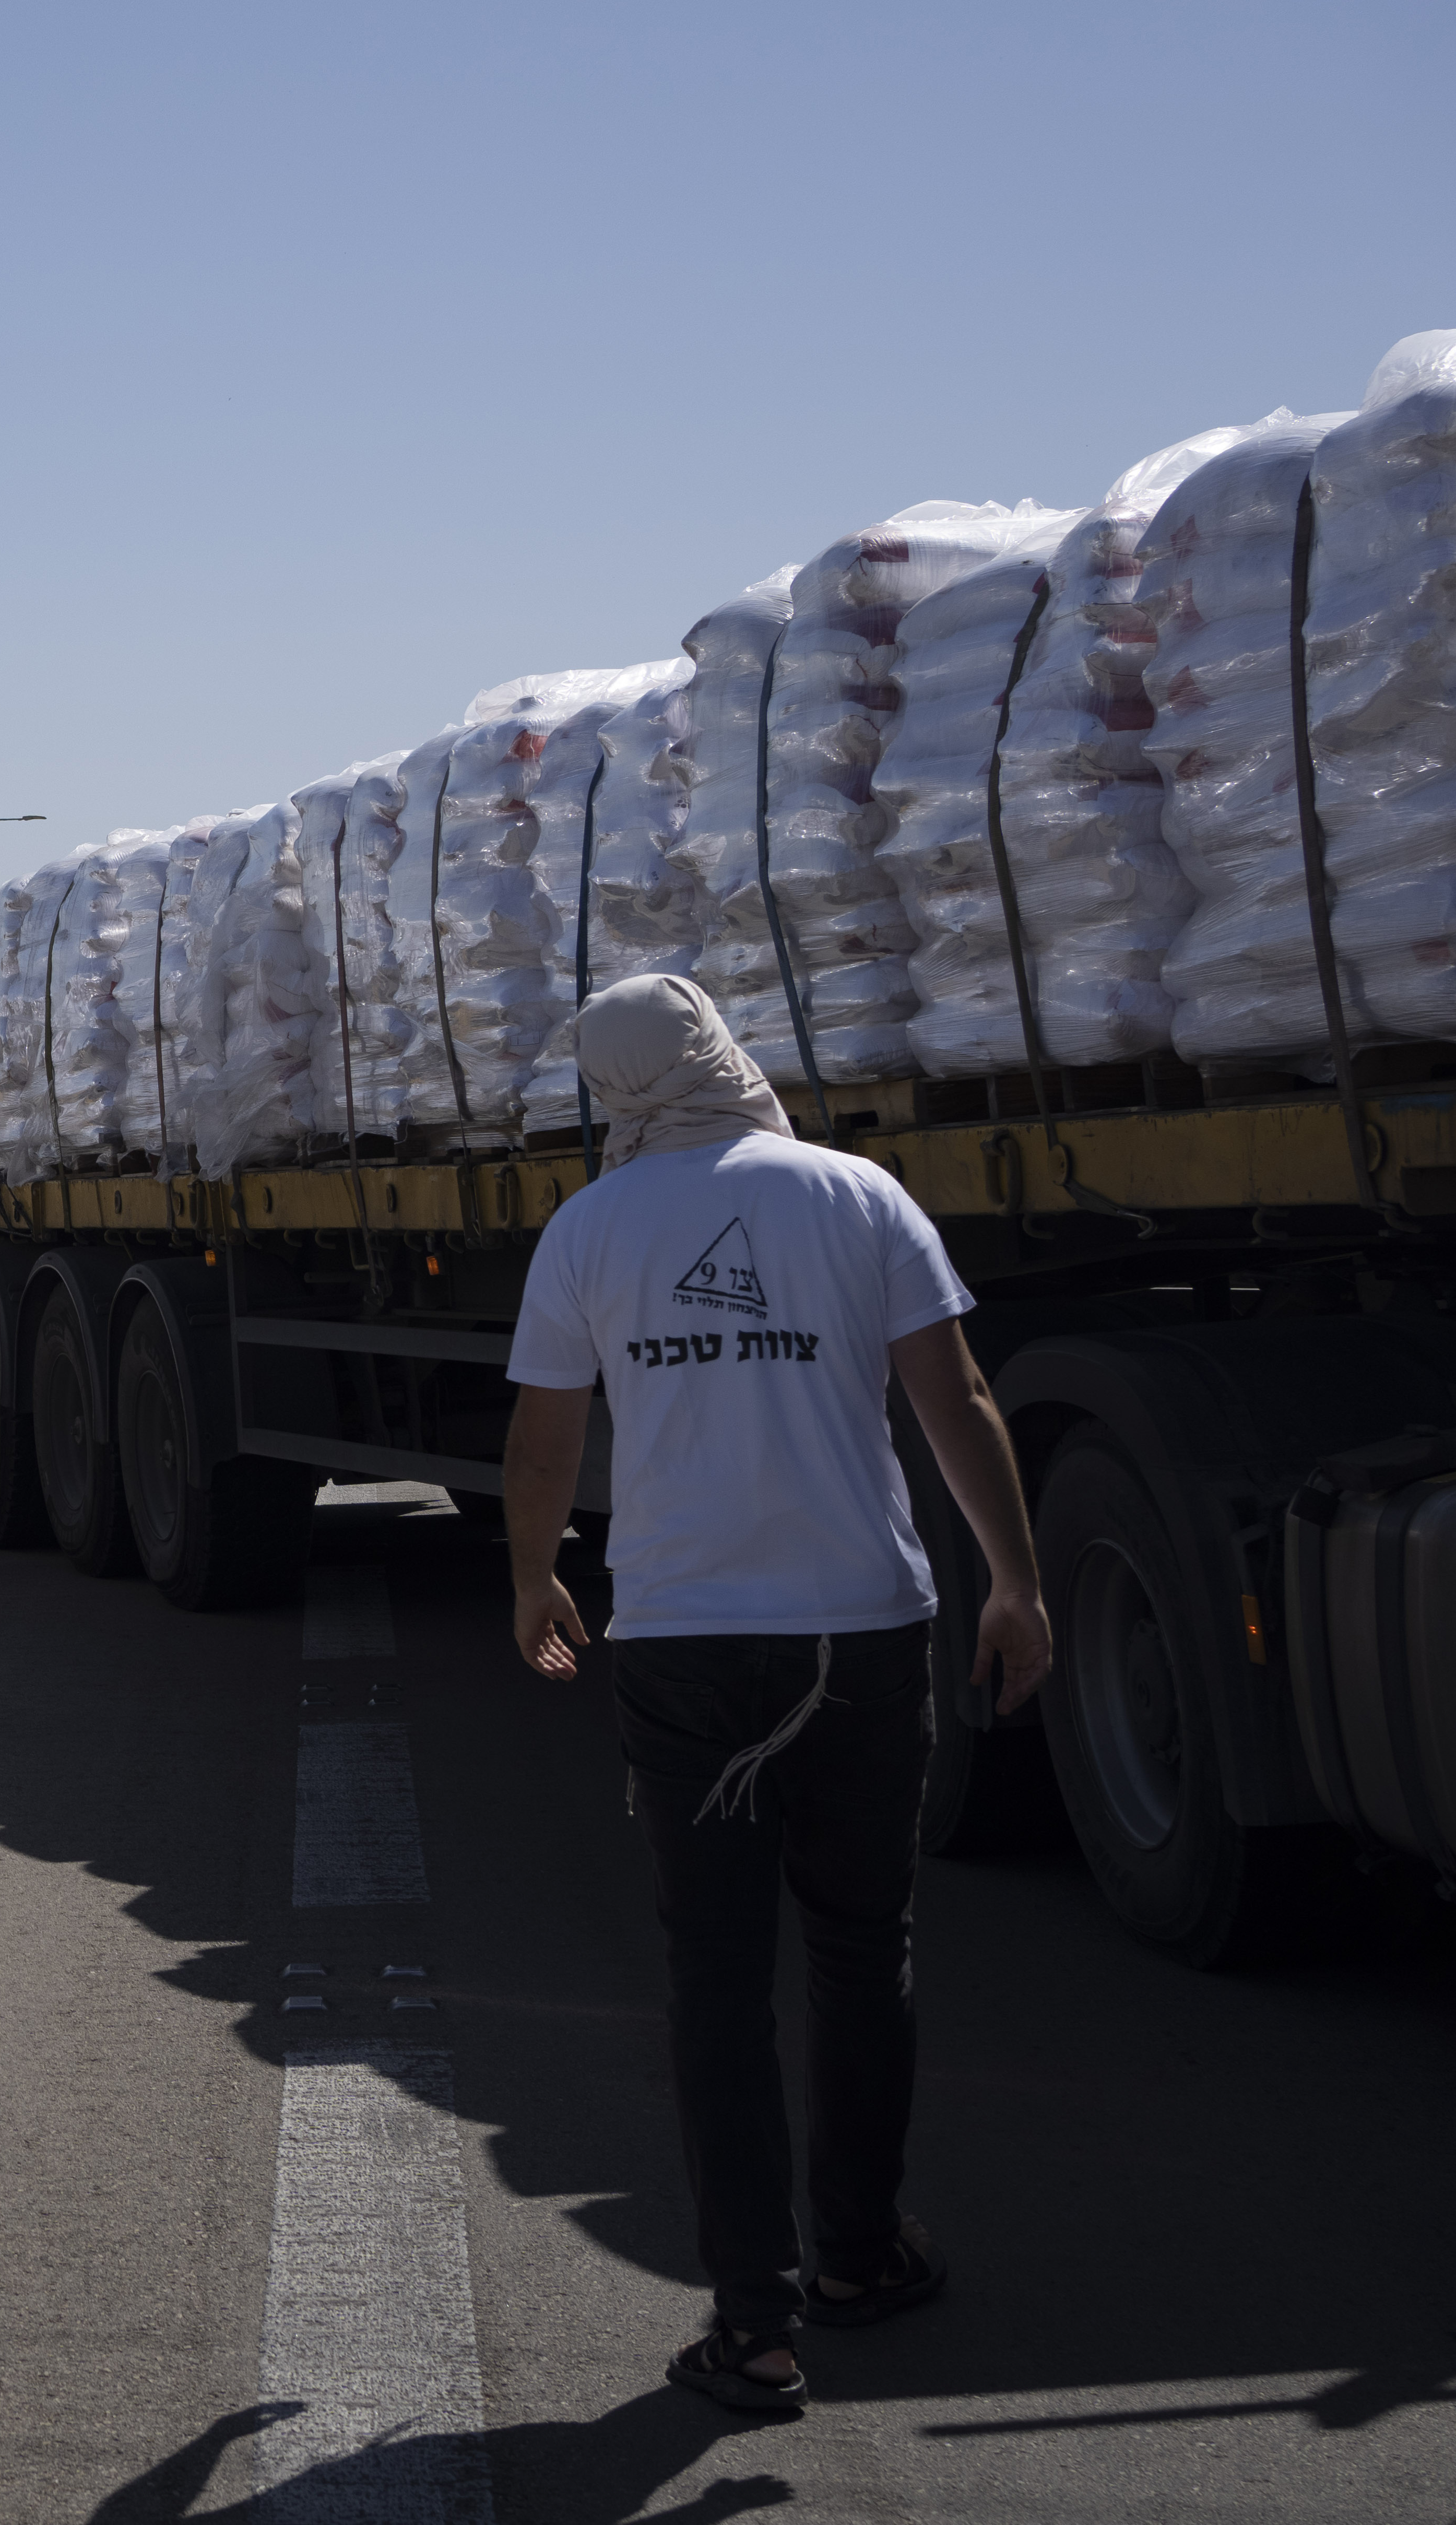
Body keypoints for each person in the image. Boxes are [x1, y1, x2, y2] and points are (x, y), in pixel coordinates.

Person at [494, 973, 1051, 2419]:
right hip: (863, 1631)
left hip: (684, 1645)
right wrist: (1016, 1583)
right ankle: (860, 2255)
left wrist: (535, 1581)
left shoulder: (589, 1230)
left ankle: (755, 2328)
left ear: (615, 1095)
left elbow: (547, 1440)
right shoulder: (858, 1197)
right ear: (725, 1054)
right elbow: (958, 1397)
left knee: (718, 1986)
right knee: (867, 1952)